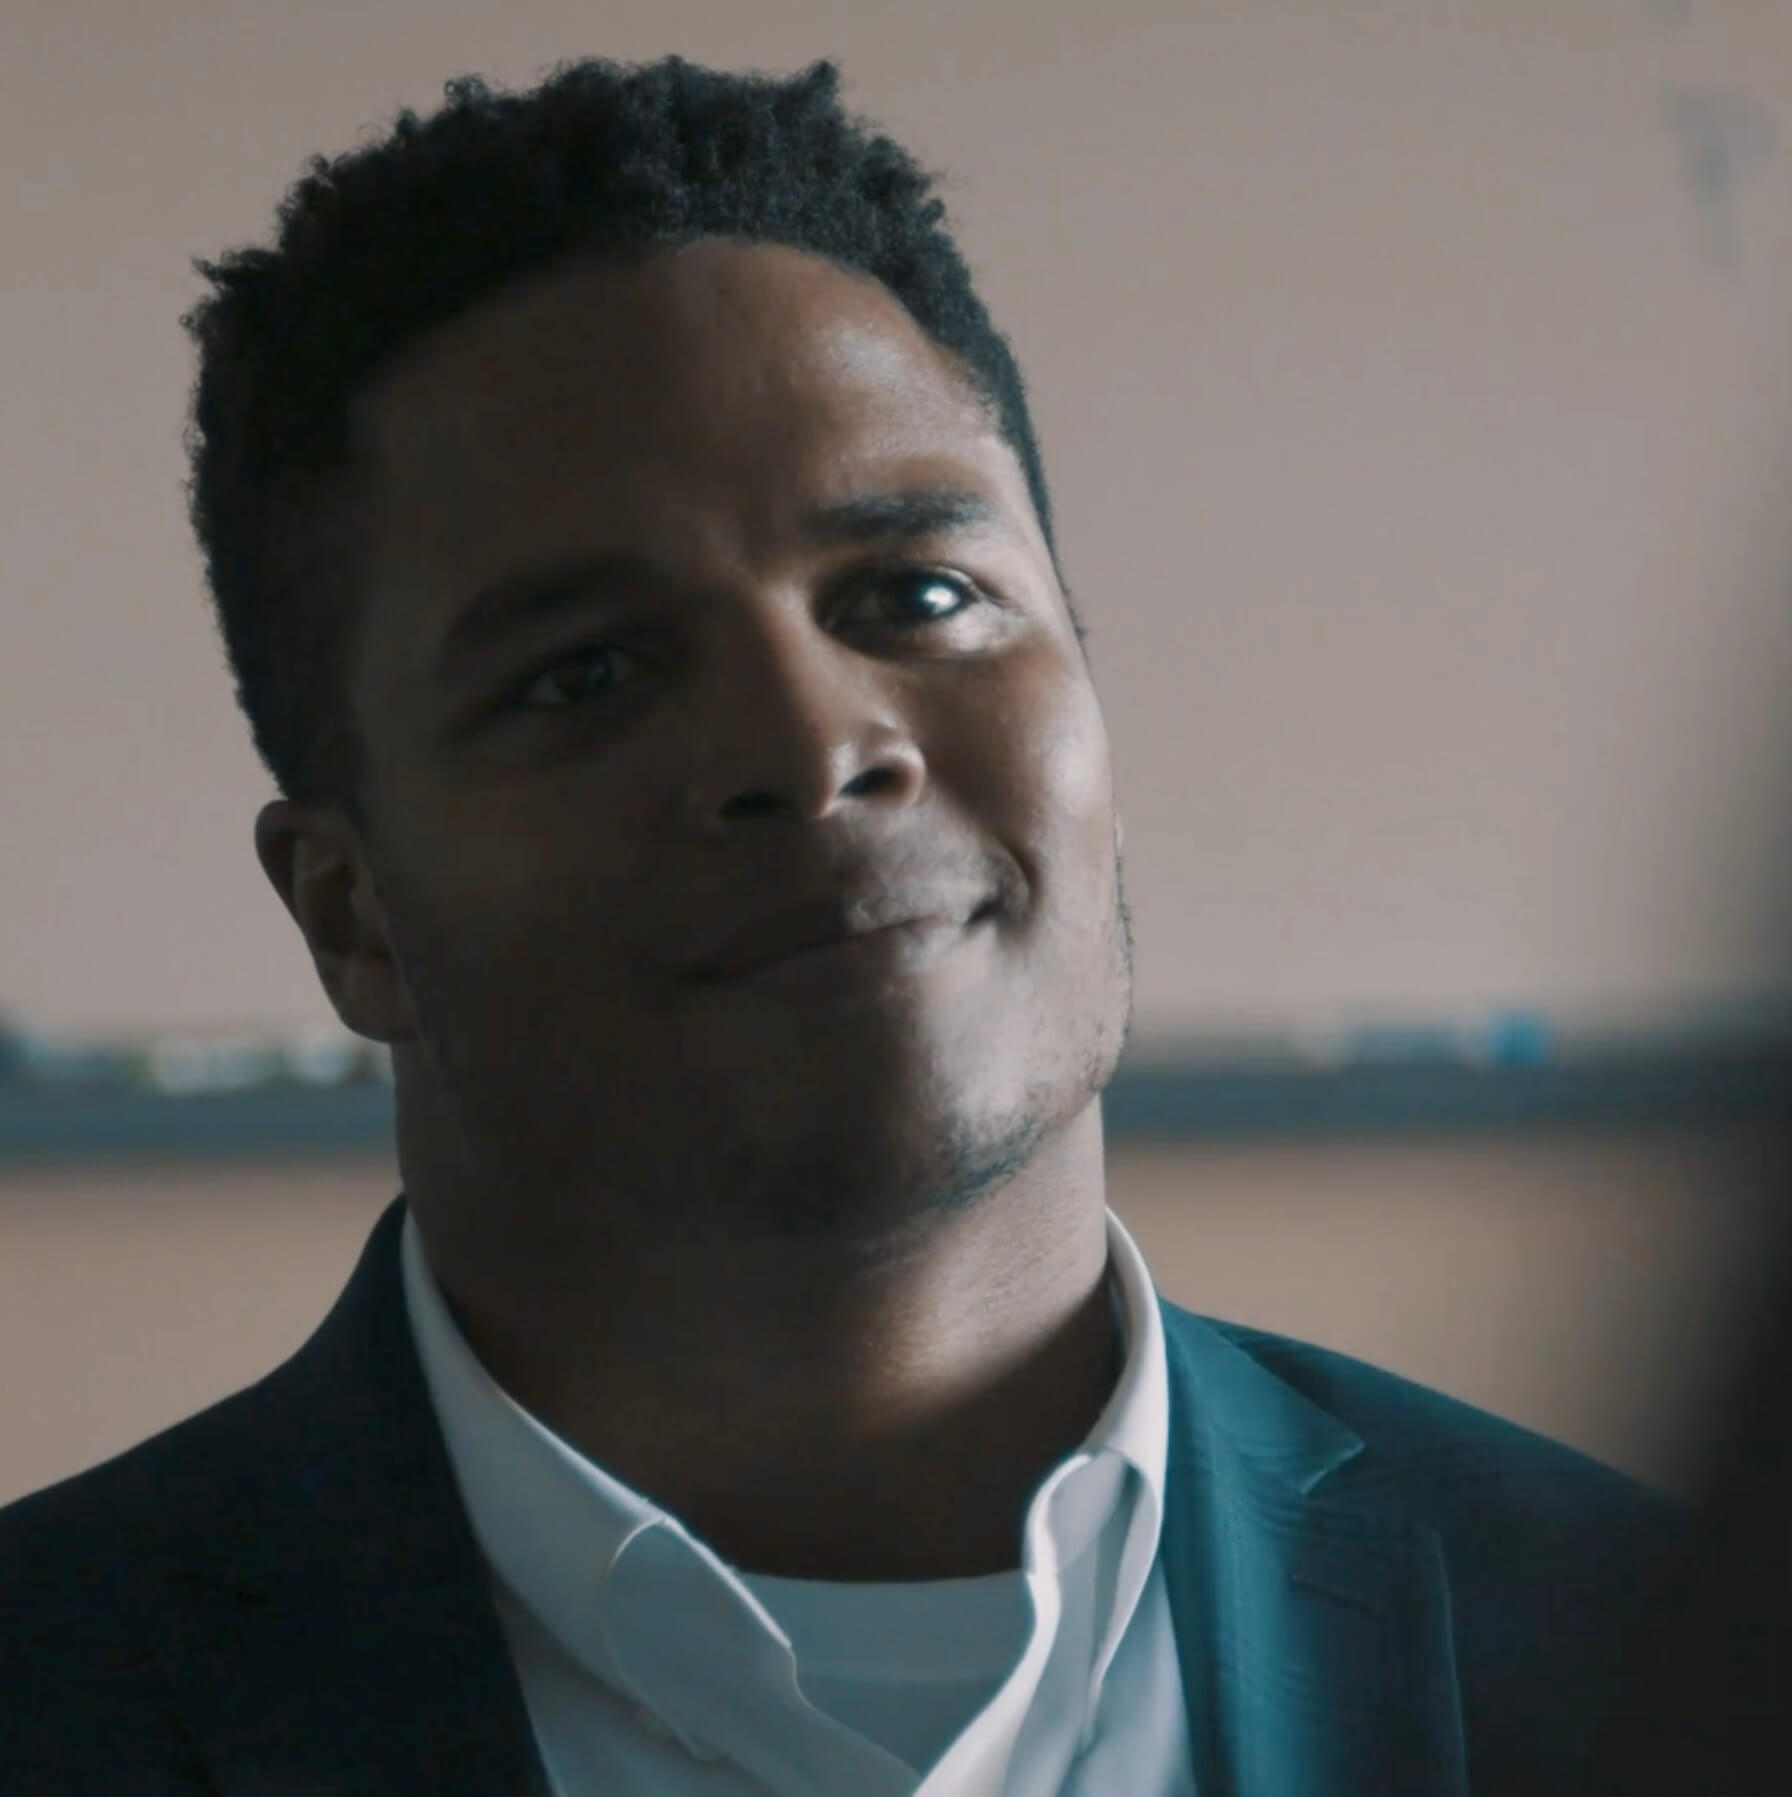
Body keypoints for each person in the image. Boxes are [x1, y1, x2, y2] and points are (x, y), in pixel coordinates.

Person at [0, 54, 1683, 1796]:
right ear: (351, 915)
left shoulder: (1650, 1660)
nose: (813, 744)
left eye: (920, 595)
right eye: (587, 672)